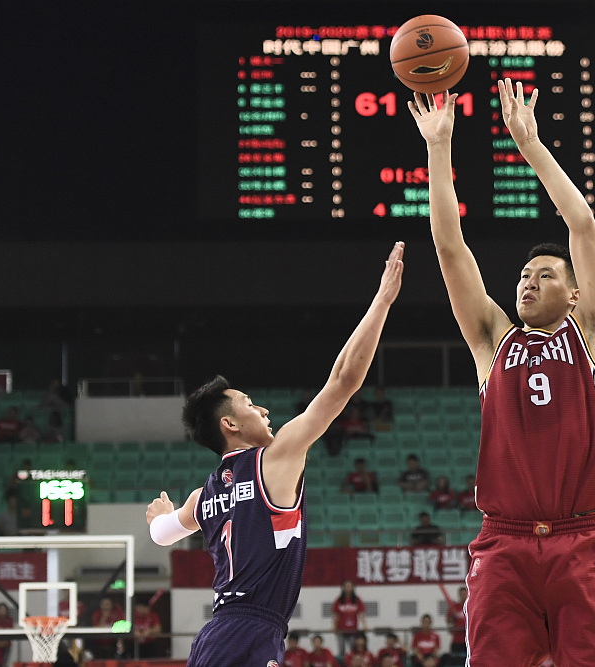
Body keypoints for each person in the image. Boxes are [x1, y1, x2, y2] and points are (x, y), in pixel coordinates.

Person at [410, 80, 595, 667]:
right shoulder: (494, 340)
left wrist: (531, 145)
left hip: (578, 539)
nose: (528, 281)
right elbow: (449, 247)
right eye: (523, 274)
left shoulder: (593, 334)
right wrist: (439, 149)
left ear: (573, 293)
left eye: (545, 275)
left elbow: (584, 225)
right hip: (503, 544)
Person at [145, 243, 404, 667]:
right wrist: (382, 301)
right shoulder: (274, 459)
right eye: (248, 403)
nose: (262, 408)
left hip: (216, 636)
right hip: (249, 633)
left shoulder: (203, 497)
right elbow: (343, 380)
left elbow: (162, 534)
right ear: (229, 425)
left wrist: (159, 518)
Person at [332, 581, 368, 658]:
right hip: (341, 630)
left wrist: (365, 625)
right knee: (341, 650)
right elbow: (335, 615)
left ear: (352, 588)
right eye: (346, 586)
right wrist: (334, 626)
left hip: (353, 630)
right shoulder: (339, 600)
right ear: (343, 588)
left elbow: (362, 614)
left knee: (353, 649)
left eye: (349, 586)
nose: (348, 588)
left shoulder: (357, 600)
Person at [445, 587, 468, 656]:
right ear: (459, 595)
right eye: (462, 594)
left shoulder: (470, 606)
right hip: (457, 639)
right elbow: (448, 620)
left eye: (465, 594)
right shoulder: (454, 607)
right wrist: (452, 616)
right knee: (456, 658)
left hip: (468, 638)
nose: (463, 596)